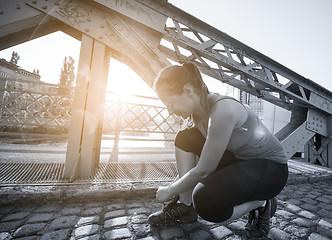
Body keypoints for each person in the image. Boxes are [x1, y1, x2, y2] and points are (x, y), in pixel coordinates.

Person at [148, 62, 288, 238]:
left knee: (206, 201)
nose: (169, 111)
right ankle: (185, 205)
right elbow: (200, 163)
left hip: (271, 170)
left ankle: (261, 203)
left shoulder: (223, 109)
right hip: (242, 162)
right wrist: (180, 188)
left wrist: (169, 190)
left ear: (188, 91)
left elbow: (204, 169)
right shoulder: (197, 118)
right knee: (185, 137)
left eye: (170, 103)